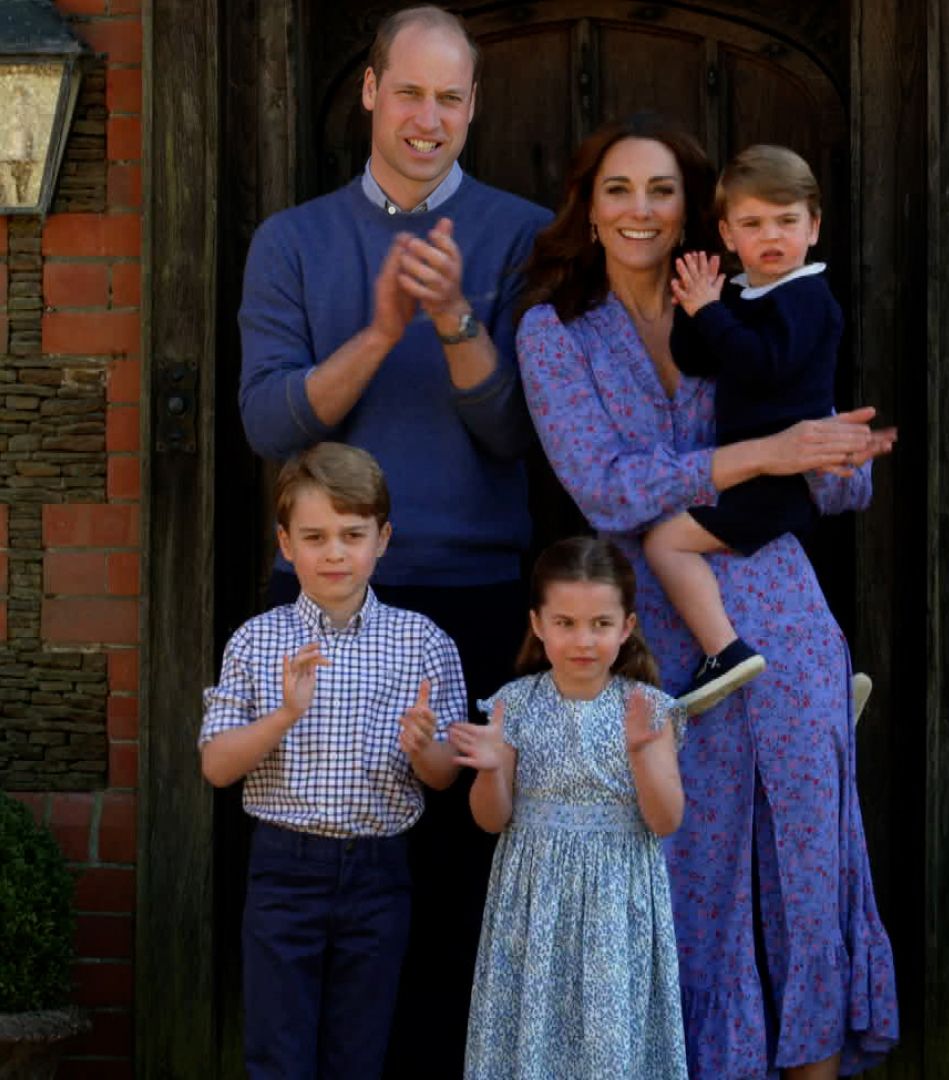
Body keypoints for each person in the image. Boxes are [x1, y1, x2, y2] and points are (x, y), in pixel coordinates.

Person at [515, 113, 900, 1079]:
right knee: (687, 874)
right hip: (653, 630)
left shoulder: (747, 298)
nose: (640, 210)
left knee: (809, 866)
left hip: (783, 605)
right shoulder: (553, 330)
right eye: (618, 190)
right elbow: (604, 486)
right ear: (588, 210)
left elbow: (829, 476)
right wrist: (766, 453)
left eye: (661, 191)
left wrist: (838, 453)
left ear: (697, 213)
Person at [236, 6, 551, 1073]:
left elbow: (517, 433)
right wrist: (378, 331)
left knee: (458, 886)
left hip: (471, 593)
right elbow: (271, 424)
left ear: (474, 107)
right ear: (369, 91)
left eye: (450, 98)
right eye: (408, 92)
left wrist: (457, 318)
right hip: (323, 600)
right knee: (316, 886)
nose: (428, 118)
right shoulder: (293, 240)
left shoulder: (523, 236)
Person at [198, 442, 466, 1078]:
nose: (336, 553)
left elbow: (445, 775)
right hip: (284, 869)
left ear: (383, 538)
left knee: (359, 1051)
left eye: (353, 534)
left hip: (379, 872)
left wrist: (425, 747)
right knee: (277, 1052)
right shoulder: (257, 640)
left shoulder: (422, 641)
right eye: (315, 536)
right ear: (286, 544)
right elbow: (216, 766)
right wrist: (285, 714)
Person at [449, 537, 688, 1080]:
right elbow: (491, 819)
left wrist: (643, 755)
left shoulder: (648, 708)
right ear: (537, 623)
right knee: (533, 1035)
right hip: (534, 900)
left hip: (616, 899)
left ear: (626, 626)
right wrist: (489, 768)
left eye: (600, 624)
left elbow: (666, 820)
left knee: (609, 1043)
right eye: (565, 623)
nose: (583, 640)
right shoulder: (515, 703)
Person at [643, 144, 841, 715]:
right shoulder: (746, 294)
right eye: (753, 224)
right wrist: (694, 304)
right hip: (751, 473)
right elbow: (697, 358)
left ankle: (724, 652)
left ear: (814, 227)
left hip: (777, 481)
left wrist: (712, 311)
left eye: (786, 221)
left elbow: (760, 364)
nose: (771, 236)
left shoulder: (808, 298)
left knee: (665, 541)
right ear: (729, 235)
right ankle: (817, 683)